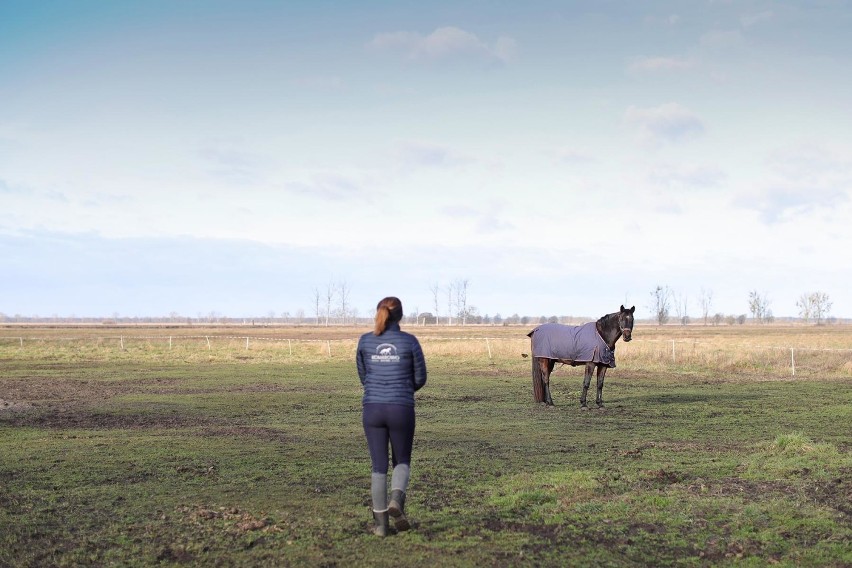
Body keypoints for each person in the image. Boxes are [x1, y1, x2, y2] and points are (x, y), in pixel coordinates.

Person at [356, 296, 427, 536]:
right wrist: (403, 390)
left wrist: (379, 389)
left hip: (372, 409)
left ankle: (381, 527)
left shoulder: (365, 341)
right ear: (401, 316)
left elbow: (364, 376)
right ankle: (396, 499)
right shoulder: (409, 342)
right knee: (402, 460)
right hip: (401, 409)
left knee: (378, 466)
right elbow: (420, 378)